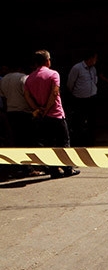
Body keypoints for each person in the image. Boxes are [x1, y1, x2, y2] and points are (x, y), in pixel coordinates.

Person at [24, 50, 79, 178]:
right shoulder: (53, 74)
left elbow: (27, 96)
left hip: (42, 117)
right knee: (64, 142)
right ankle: (67, 168)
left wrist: (38, 109)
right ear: (47, 61)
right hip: (56, 114)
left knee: (49, 144)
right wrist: (47, 108)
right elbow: (54, 93)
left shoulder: (29, 78)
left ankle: (53, 171)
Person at [67, 50, 98, 146]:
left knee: (91, 121)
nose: (96, 60)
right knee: (79, 122)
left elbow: (95, 80)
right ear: (90, 58)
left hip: (92, 98)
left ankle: (91, 141)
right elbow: (70, 83)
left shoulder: (93, 69)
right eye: (95, 58)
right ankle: (79, 142)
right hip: (80, 100)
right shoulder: (77, 68)